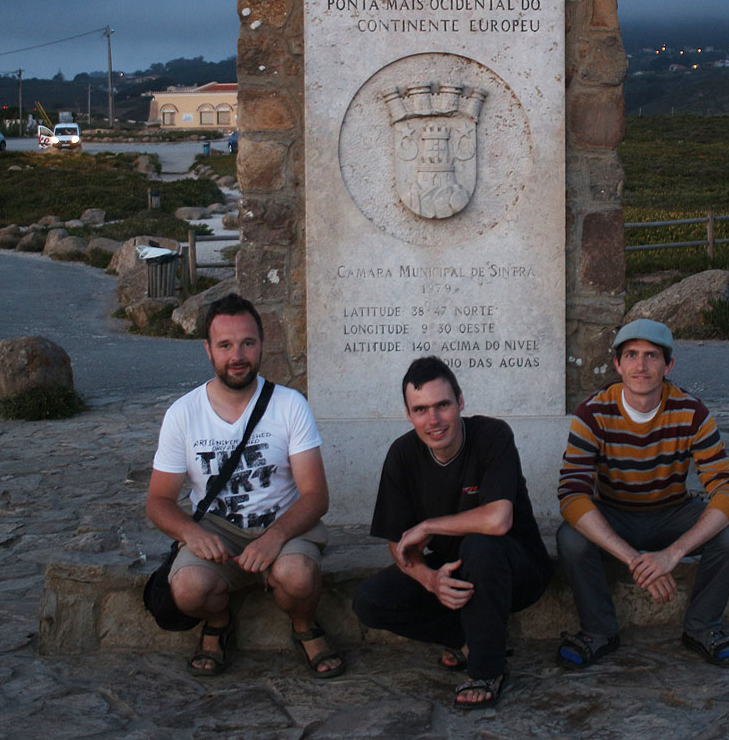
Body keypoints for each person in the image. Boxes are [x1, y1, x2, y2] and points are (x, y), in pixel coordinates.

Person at [145, 293, 344, 678]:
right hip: (217, 531)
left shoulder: (289, 405)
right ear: (208, 350)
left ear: (261, 345)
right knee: (186, 589)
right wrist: (190, 532)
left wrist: (274, 537)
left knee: (298, 576)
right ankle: (219, 622)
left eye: (247, 343)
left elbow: (316, 496)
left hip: (281, 524)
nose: (238, 355)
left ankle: (304, 626)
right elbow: (158, 500)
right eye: (225, 345)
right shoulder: (183, 414)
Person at [353, 356, 552, 709]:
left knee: (479, 546)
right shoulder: (402, 454)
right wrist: (429, 579)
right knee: (370, 600)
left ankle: (486, 670)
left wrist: (428, 525)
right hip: (453, 571)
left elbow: (499, 520)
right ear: (408, 413)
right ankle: (468, 637)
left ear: (460, 401)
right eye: (421, 409)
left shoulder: (493, 435)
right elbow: (398, 542)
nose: (433, 420)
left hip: (515, 569)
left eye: (442, 405)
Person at [555, 318, 729, 668]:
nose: (640, 366)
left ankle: (703, 628)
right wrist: (635, 560)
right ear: (617, 364)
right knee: (571, 537)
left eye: (651, 356)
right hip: (614, 513)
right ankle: (598, 632)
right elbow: (571, 493)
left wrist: (672, 555)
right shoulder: (593, 413)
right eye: (631, 355)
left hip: (670, 513)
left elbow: (728, 488)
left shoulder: (692, 412)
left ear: (668, 365)